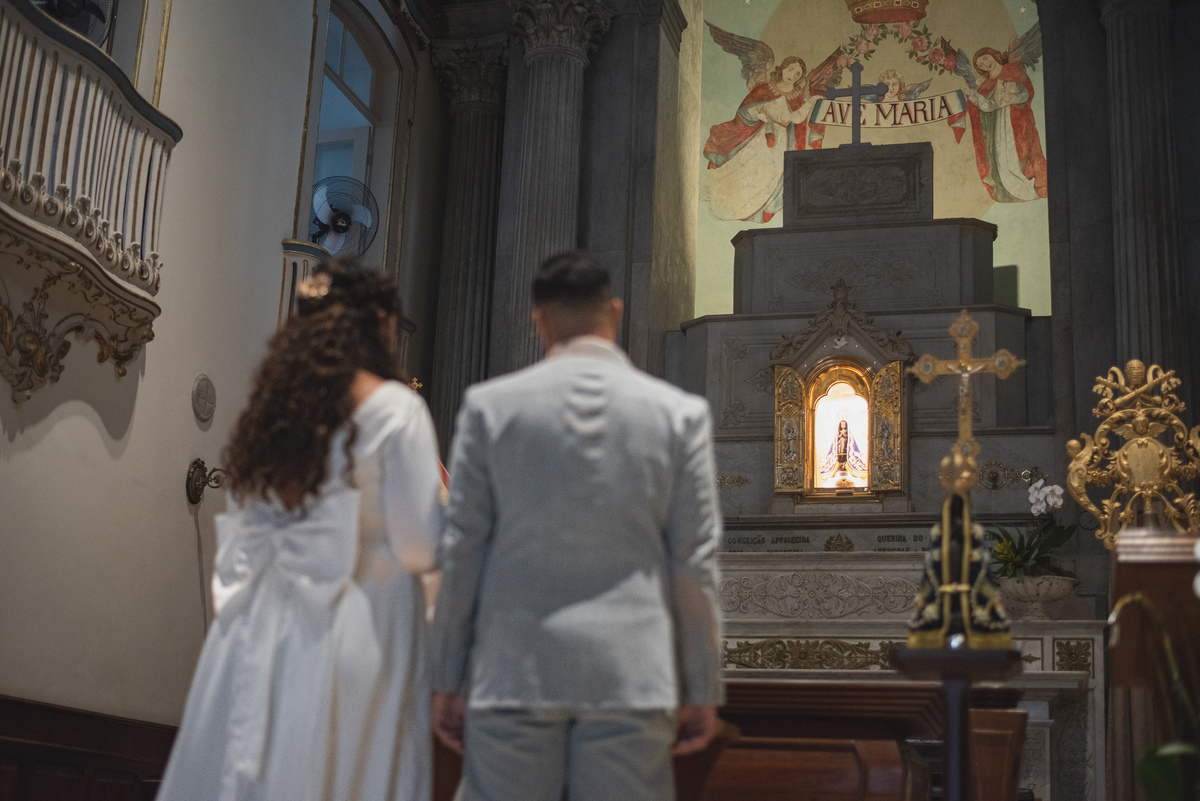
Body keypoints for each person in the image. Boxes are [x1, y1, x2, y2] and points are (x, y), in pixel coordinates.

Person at [432, 251, 724, 801]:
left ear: (538, 318)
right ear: (614, 313)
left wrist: (446, 676)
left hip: (514, 666)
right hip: (630, 673)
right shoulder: (677, 414)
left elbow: (463, 550)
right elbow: (694, 560)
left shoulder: (489, 409)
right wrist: (703, 685)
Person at [157, 260, 443, 801]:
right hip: (357, 616)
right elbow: (420, 542)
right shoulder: (395, 409)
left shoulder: (273, 412)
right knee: (344, 769)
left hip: (257, 619)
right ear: (378, 323)